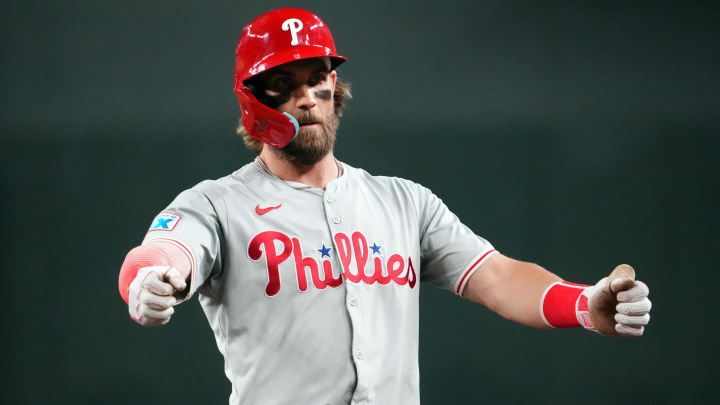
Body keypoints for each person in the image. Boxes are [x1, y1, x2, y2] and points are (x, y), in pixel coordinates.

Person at [118, 7, 652, 405]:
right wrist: (151, 279)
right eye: (284, 85)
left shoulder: (403, 201)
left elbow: (498, 277)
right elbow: (163, 251)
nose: (306, 98)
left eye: (316, 80)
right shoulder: (218, 203)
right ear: (252, 100)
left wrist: (582, 304)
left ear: (335, 87)